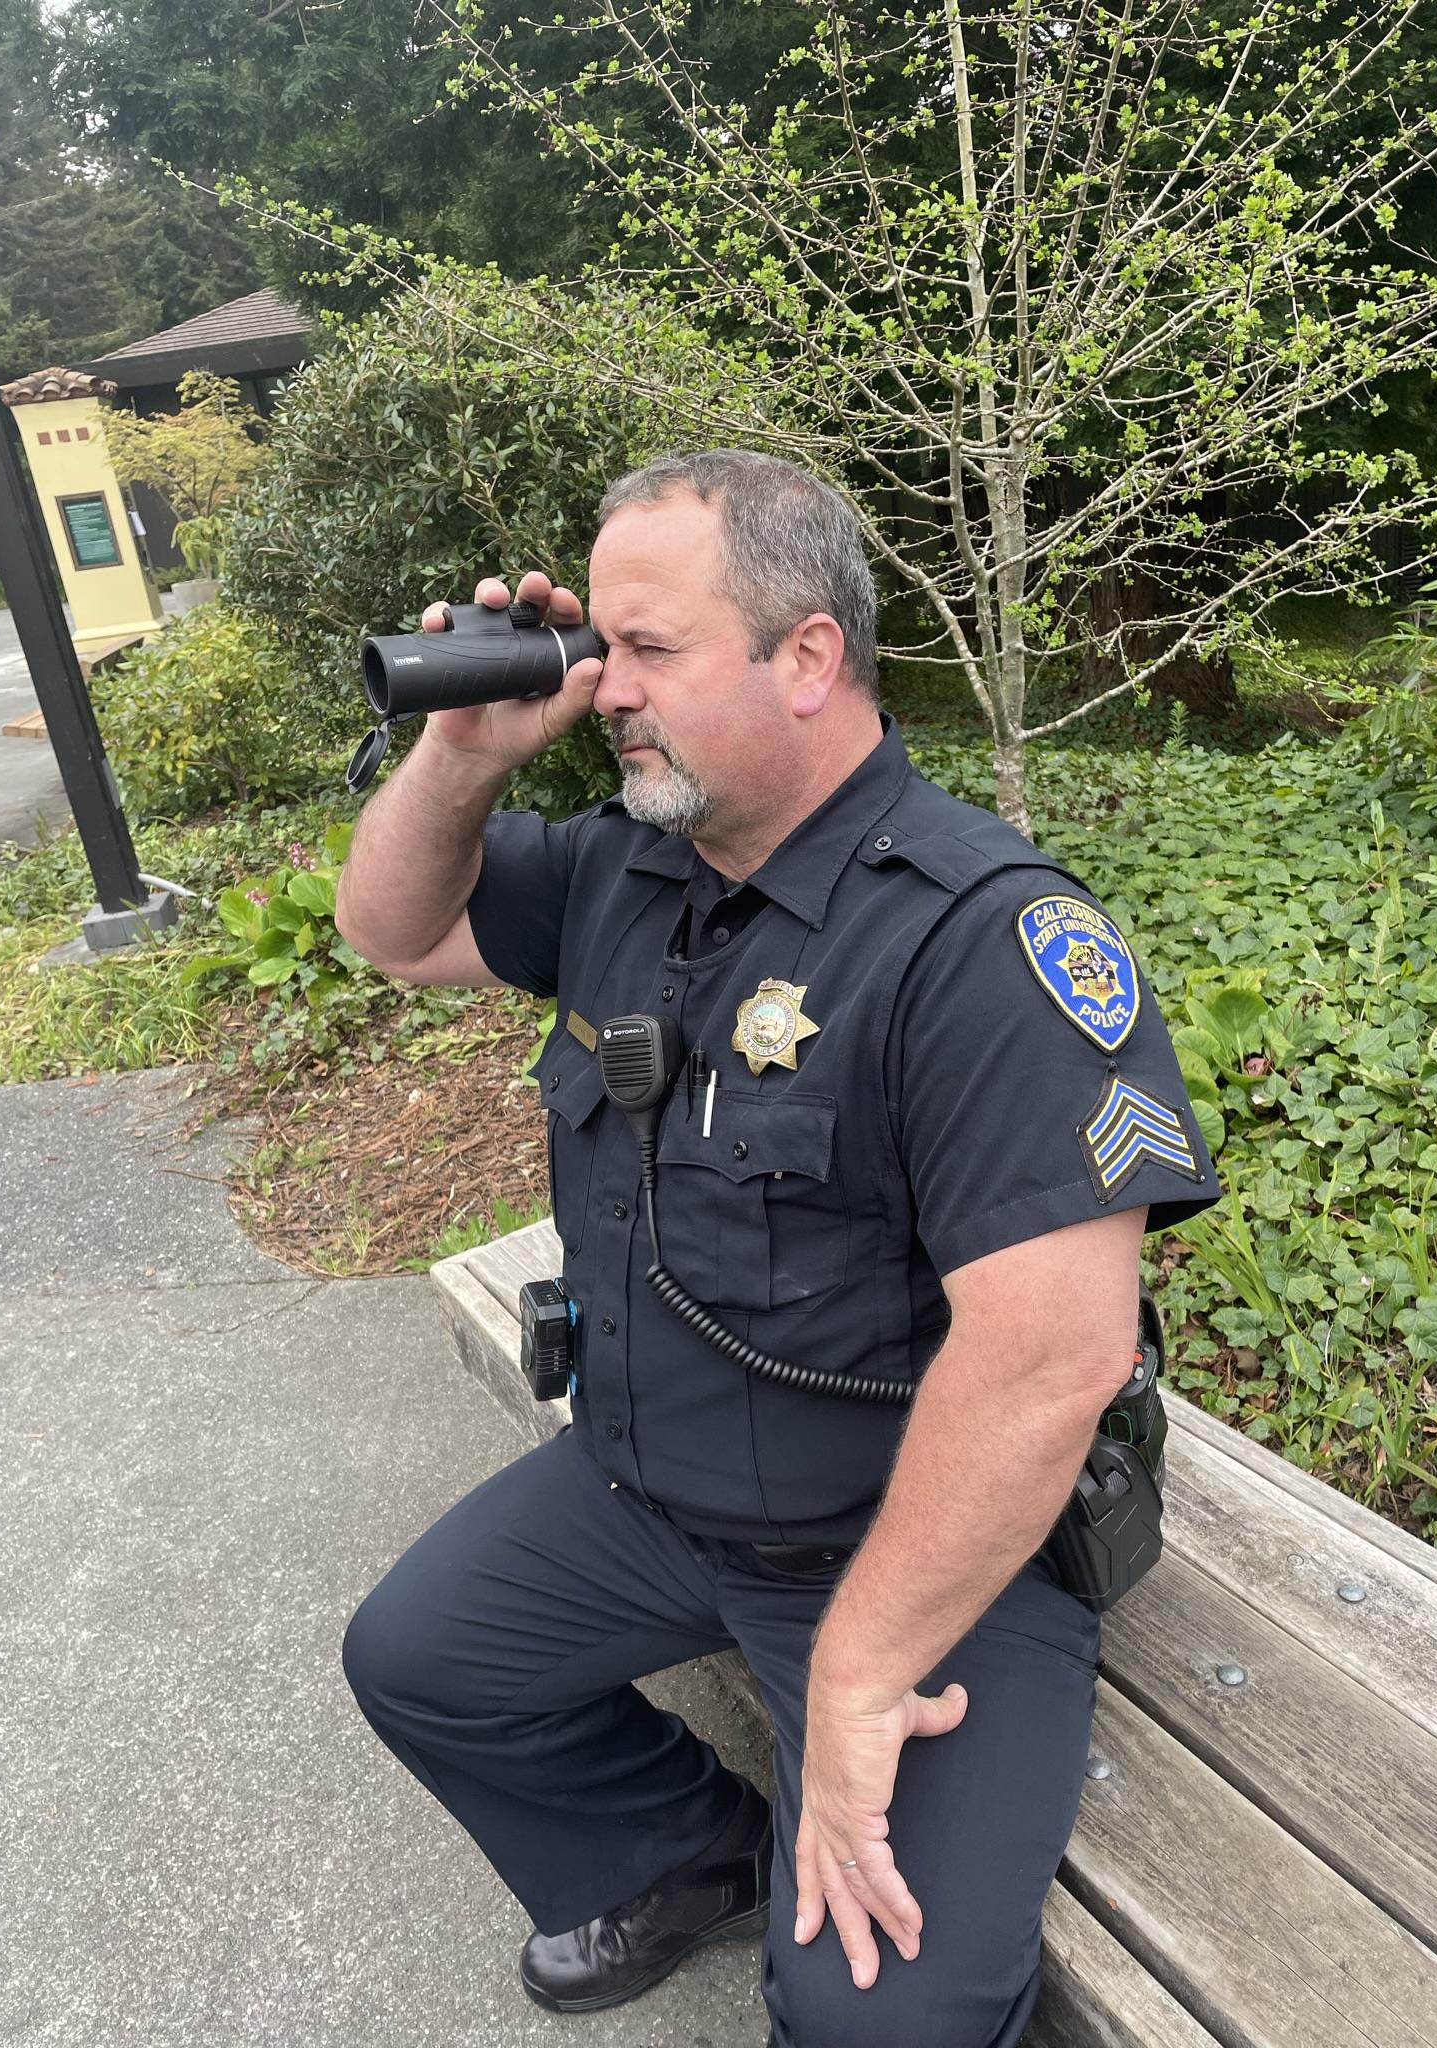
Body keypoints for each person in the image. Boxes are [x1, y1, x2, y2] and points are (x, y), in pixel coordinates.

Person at [334, 448, 1220, 2047]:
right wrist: (465, 751)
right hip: (652, 1489)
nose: (607, 690)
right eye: (601, 647)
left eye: (652, 651)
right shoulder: (630, 863)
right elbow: (391, 931)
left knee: (880, 2017)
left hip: (913, 1548)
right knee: (418, 1661)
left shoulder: (983, 938)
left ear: (808, 656)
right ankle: (686, 1856)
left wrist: (863, 1682)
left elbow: (1051, 1364)